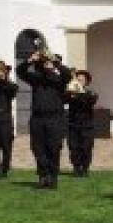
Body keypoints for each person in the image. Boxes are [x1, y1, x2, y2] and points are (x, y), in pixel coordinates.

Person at [18, 51, 73, 189]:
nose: (46, 64)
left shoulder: (59, 79)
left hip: (55, 118)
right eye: (45, 63)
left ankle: (53, 177)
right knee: (38, 149)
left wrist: (55, 62)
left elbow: (68, 74)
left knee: (54, 149)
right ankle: (43, 176)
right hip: (37, 118)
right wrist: (30, 59)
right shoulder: (36, 78)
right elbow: (20, 71)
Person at [65, 70, 98, 177]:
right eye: (77, 79)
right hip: (72, 125)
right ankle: (76, 167)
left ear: (86, 82)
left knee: (86, 147)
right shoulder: (70, 94)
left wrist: (78, 92)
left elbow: (89, 101)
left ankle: (85, 168)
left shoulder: (90, 94)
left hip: (87, 126)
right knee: (73, 147)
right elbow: (63, 98)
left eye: (81, 80)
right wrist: (71, 91)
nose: (79, 81)